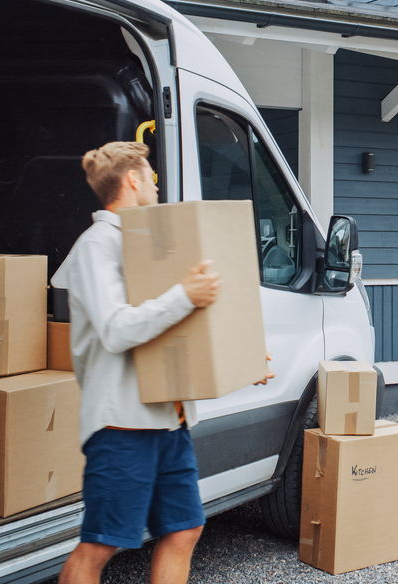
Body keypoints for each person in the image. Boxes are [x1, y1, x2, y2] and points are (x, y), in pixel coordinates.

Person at [51, 141, 271, 584]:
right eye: (150, 175)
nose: (155, 183)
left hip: (170, 422)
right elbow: (118, 329)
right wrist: (185, 294)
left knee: (185, 529)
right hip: (122, 427)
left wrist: (243, 357)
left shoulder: (148, 245)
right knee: (101, 542)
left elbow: (181, 329)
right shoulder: (97, 246)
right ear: (131, 180)